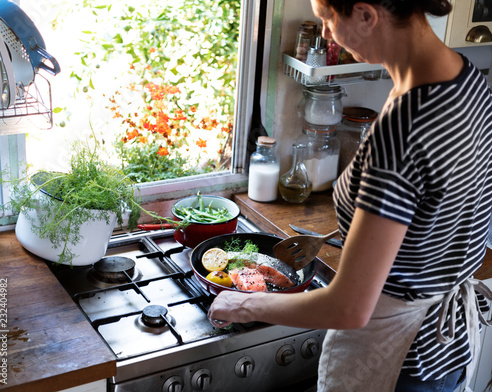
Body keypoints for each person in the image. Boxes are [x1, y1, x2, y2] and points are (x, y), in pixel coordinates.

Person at [208, 0, 492, 391]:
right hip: (445, 351)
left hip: (397, 358)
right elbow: (433, 219)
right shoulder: (468, 79)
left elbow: (349, 306)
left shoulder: (402, 128)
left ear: (366, 15)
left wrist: (244, 304)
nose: (325, 33)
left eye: (327, 18)